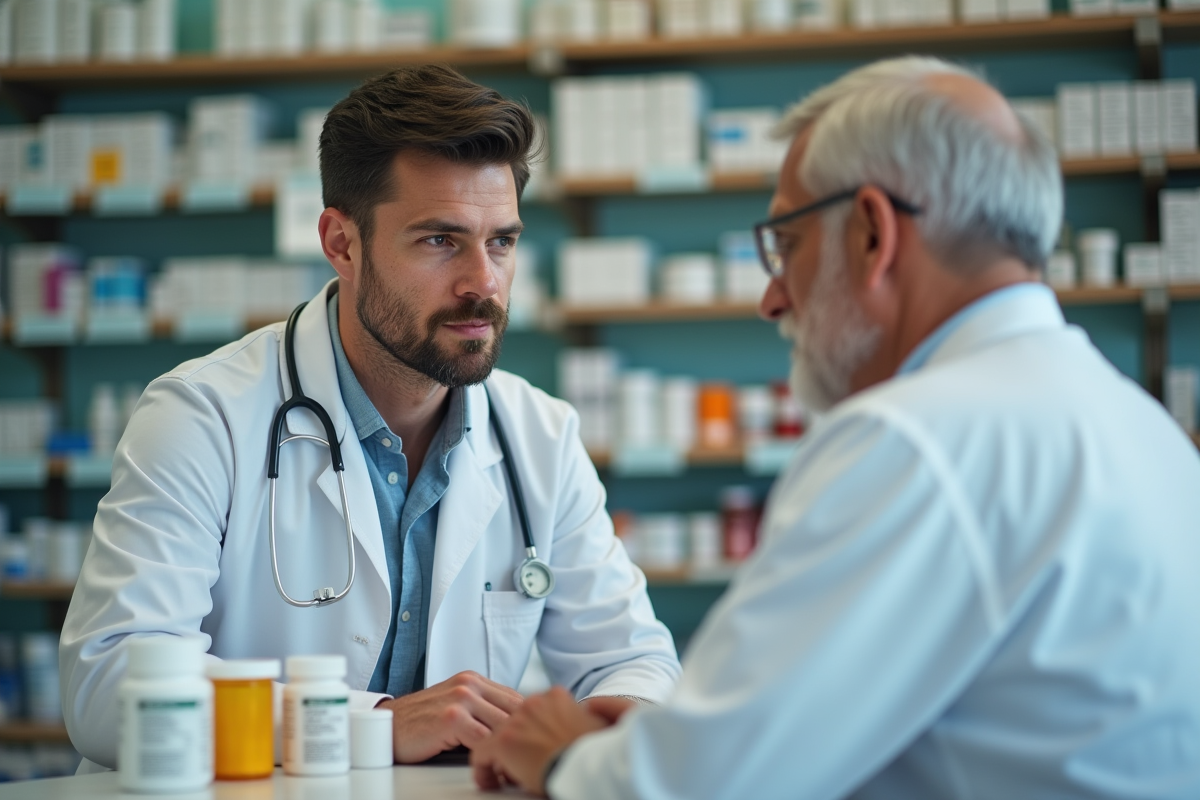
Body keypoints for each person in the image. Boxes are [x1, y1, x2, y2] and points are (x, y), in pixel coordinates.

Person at [469, 56, 1200, 799]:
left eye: (787, 246)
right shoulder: (1144, 427)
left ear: (873, 235)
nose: (773, 298)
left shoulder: (915, 439)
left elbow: (703, 787)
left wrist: (565, 758)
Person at [59, 65, 681, 771]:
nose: (483, 282)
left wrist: (607, 726)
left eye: (501, 241)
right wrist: (372, 724)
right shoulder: (202, 416)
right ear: (341, 244)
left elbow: (633, 660)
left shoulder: (540, 434)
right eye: (440, 240)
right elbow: (110, 683)